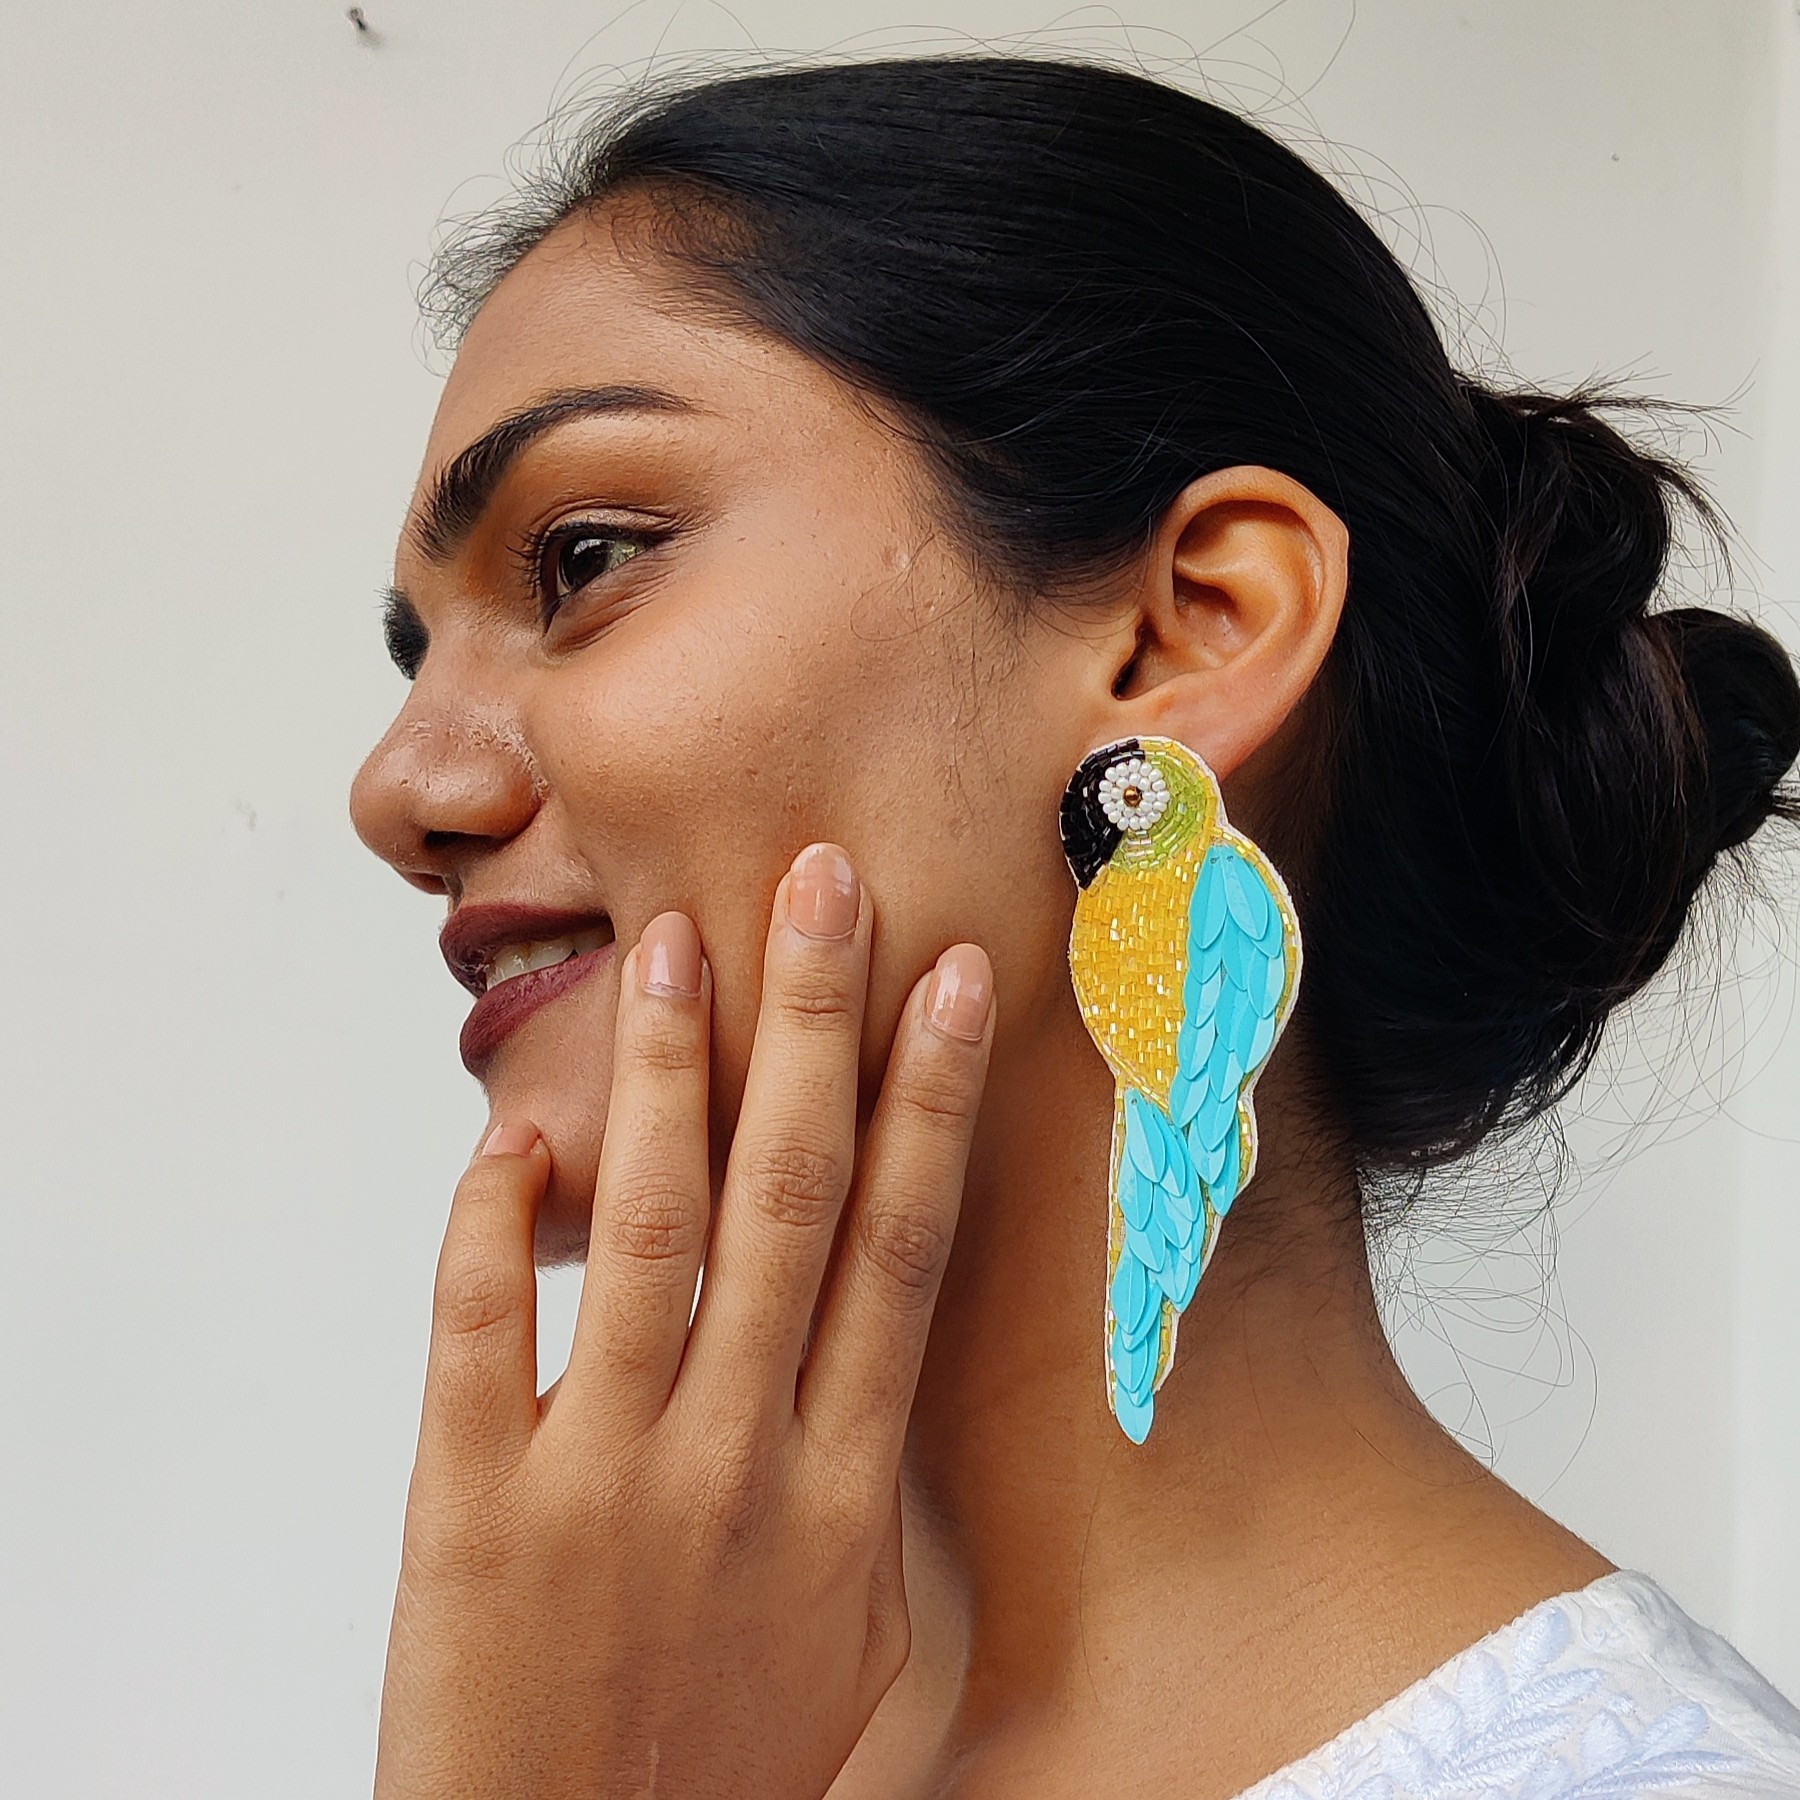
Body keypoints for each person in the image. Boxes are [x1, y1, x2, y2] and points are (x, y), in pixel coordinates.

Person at [349, 55, 1800, 1799]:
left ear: (1189, 631)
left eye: (580, 557)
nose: (399, 787)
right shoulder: (634, 1726)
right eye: (414, 651)